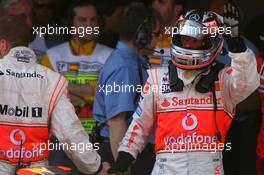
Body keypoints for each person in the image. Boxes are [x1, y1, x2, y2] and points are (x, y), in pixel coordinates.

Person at [108, 5, 259, 175]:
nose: (188, 44)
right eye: (185, 38)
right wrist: (124, 158)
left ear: (211, 42)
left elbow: (247, 84)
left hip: (208, 167)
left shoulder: (223, 80)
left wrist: (236, 43)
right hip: (166, 167)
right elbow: (140, 126)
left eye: (195, 40)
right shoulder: (157, 78)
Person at [0, 15, 108, 175]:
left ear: (3, 45)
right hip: (35, 171)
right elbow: (70, 132)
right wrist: (96, 167)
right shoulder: (52, 79)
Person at [39, 0, 113, 174]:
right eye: (82, 20)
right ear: (71, 23)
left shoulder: (110, 56)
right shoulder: (53, 55)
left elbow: (105, 94)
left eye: (93, 20)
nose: (89, 25)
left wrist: (63, 87)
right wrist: (89, 91)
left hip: (97, 139)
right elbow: (45, 95)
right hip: (60, 140)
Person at [93, 2, 161, 175]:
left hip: (130, 151)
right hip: (121, 152)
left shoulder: (132, 62)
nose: (158, 39)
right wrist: (122, 170)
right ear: (142, 36)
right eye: (156, 34)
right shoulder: (125, 67)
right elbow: (117, 122)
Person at [150, 0, 184, 67]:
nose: (154, 6)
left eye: (161, 2)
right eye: (153, 1)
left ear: (177, 9)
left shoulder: (186, 42)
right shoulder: (145, 37)